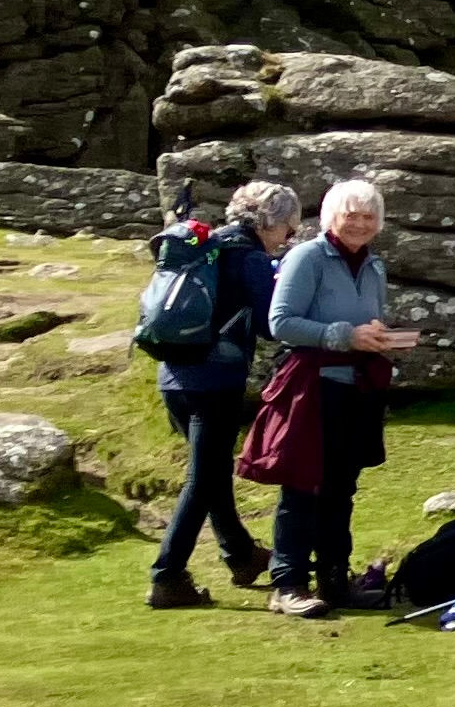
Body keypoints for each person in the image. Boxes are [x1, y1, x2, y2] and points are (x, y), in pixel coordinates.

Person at [262, 176, 421, 618]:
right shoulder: (307, 257)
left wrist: (381, 337)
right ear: (332, 216)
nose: (360, 224)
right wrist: (345, 336)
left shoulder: (374, 266)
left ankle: (334, 581)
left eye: (369, 216)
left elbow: (368, 321)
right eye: (351, 215)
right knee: (303, 485)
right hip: (312, 386)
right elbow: (281, 322)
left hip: (358, 388)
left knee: (341, 487)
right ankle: (288, 584)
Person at [145, 180, 300, 610]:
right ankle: (167, 576)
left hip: (172, 376)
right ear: (268, 223)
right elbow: (271, 324)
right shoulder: (250, 258)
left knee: (211, 473)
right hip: (216, 381)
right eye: (288, 229)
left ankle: (240, 554)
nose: (288, 238)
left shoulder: (204, 246)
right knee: (203, 479)